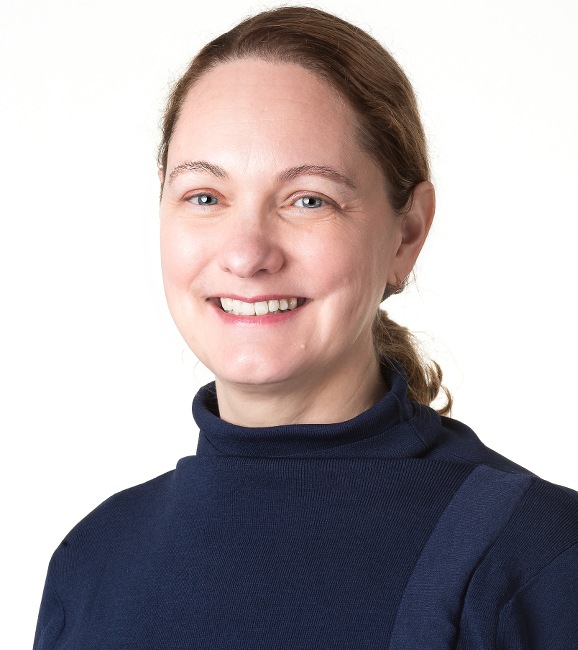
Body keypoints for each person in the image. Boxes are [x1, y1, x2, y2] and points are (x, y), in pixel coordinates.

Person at [33, 6, 578, 648]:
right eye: (204, 197)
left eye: (308, 199)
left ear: (407, 234)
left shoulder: (537, 559)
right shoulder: (94, 559)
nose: (247, 253)